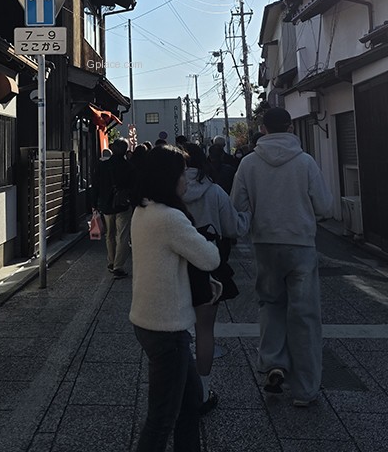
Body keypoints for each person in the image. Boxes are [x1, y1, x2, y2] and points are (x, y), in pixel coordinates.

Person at [230, 108, 333, 407]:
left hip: (264, 245)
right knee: (305, 316)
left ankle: (274, 362)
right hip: (300, 245)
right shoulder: (305, 162)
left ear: (262, 129)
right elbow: (325, 206)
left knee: (271, 305)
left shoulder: (249, 164)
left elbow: (238, 204)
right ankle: (304, 389)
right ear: (290, 127)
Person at [130, 146, 220, 452]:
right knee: (162, 418)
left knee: (190, 403)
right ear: (170, 177)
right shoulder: (170, 218)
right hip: (166, 327)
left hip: (149, 319)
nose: (186, 179)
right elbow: (209, 257)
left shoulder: (143, 210)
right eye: (182, 173)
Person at [181, 143, 245, 415]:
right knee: (205, 331)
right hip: (208, 267)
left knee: (177, 333)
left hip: (177, 266)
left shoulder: (172, 193)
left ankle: (177, 391)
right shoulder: (216, 192)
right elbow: (233, 227)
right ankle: (203, 392)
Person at [95, 138, 133, 278]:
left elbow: (96, 185)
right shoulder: (128, 166)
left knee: (109, 234)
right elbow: (132, 187)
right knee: (122, 235)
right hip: (122, 205)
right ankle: (118, 266)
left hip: (106, 204)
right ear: (125, 150)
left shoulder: (103, 166)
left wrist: (94, 203)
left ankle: (111, 261)